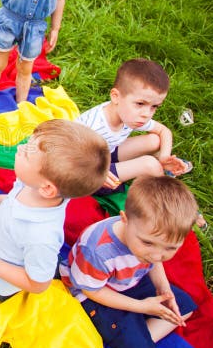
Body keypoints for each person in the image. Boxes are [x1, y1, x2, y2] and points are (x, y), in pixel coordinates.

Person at [0, 119, 109, 298]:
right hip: (0, 237)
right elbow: (17, 198)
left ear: (47, 188)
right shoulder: (37, 187)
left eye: (27, 153)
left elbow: (38, 284)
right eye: (27, 144)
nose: (20, 149)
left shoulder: (41, 236)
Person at [60, 176, 199, 348]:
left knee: (183, 307)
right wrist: (142, 307)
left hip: (129, 282)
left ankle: (134, 344)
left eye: (169, 248)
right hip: (96, 295)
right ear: (124, 219)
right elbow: (92, 290)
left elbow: (155, 261)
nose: (157, 254)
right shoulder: (99, 250)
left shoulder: (150, 247)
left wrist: (163, 288)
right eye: (148, 243)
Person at [74, 58, 202, 226]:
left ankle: (161, 172)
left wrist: (164, 158)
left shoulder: (128, 114)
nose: (146, 114)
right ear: (116, 96)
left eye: (154, 107)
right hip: (88, 172)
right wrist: (98, 171)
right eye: (140, 104)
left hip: (103, 154)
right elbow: (66, 156)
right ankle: (173, 205)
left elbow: (164, 131)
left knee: (154, 140)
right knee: (150, 164)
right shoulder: (91, 126)